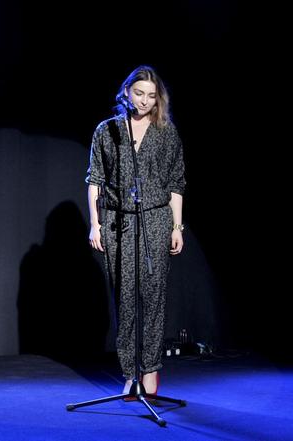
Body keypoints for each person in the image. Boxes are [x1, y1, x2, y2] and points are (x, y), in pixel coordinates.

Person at [85, 65, 185, 396]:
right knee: (125, 300)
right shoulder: (108, 131)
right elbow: (95, 180)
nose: (143, 101)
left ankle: (151, 368)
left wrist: (177, 226)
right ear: (126, 92)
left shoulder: (166, 133)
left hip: (155, 220)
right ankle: (130, 372)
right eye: (138, 93)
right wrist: (95, 223)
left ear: (158, 100)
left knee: (153, 297)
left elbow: (175, 182)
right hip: (117, 222)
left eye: (150, 96)